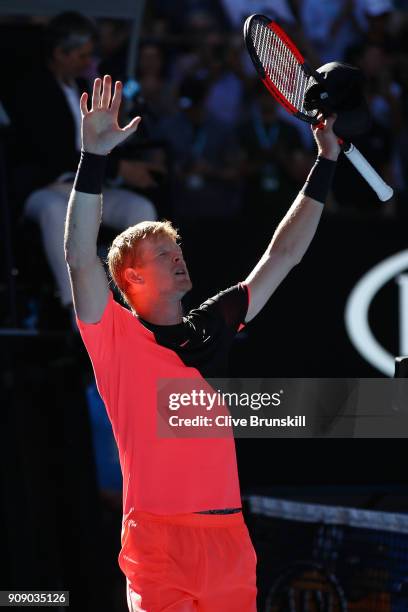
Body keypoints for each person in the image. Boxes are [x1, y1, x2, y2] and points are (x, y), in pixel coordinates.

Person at [64, 74, 340, 611]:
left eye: (177, 246)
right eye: (162, 253)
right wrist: (92, 157)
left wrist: (325, 162)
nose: (178, 256)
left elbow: (282, 257)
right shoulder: (115, 336)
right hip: (157, 541)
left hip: (230, 541)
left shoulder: (211, 326)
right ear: (130, 279)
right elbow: (78, 258)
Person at [11, 12, 158, 323]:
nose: (88, 61)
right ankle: (76, 312)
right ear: (59, 54)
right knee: (53, 212)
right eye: (82, 55)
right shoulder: (29, 90)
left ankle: (139, 306)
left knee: (141, 209)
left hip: (91, 186)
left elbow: (101, 142)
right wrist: (119, 169)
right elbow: (52, 151)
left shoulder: (84, 86)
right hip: (47, 187)